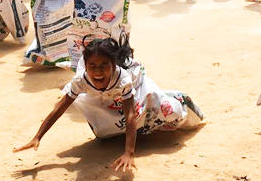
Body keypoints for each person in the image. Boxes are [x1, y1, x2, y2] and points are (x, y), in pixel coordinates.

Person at [14, 37, 204, 172]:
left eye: (104, 65)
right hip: (107, 99)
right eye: (92, 66)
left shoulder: (123, 79)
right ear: (86, 66)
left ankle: (180, 100)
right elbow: (60, 107)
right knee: (104, 134)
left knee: (167, 112)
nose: (98, 71)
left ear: (113, 65)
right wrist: (38, 136)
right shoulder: (81, 80)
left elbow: (130, 114)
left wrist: (129, 153)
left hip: (137, 91)